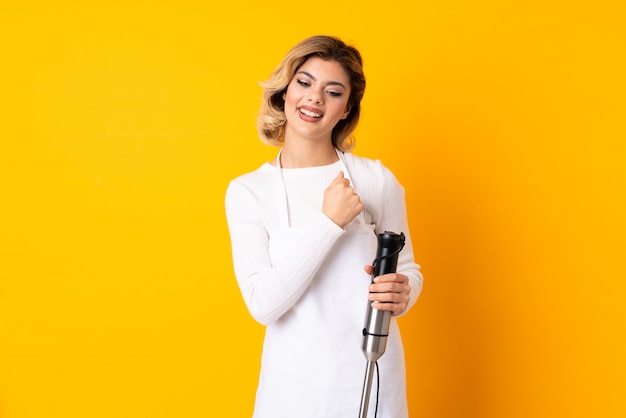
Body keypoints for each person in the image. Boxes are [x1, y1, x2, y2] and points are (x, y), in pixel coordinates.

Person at [225, 35, 423, 418]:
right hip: (292, 383)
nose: (315, 98)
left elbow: (409, 270)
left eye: (332, 92)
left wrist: (405, 292)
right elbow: (263, 304)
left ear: (346, 108)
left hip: (372, 369)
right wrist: (329, 222)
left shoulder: (374, 179)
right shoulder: (249, 192)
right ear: (284, 92)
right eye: (304, 82)